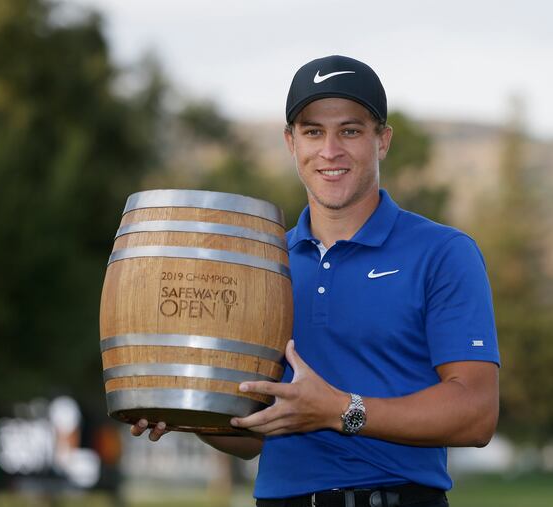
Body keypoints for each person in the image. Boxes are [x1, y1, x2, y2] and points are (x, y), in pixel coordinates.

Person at [132, 54, 500, 507]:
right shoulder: (261, 262)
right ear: (291, 142)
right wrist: (187, 412)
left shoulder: (443, 252)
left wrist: (341, 411)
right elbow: (255, 436)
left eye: (349, 130)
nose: (330, 151)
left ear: (382, 140)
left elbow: (476, 415)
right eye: (312, 132)